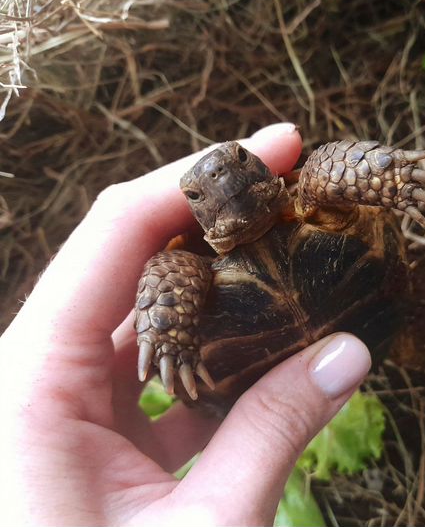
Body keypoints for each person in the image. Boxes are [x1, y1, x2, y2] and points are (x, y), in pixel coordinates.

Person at [0, 122, 371, 526]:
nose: (219, 177)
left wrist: (382, 173)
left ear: (259, 167)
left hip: (374, 308)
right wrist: (168, 334)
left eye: (239, 159)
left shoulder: (316, 188)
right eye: (197, 193)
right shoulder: (186, 266)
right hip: (325, 344)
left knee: (328, 168)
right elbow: (167, 300)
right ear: (195, 209)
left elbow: (334, 169)